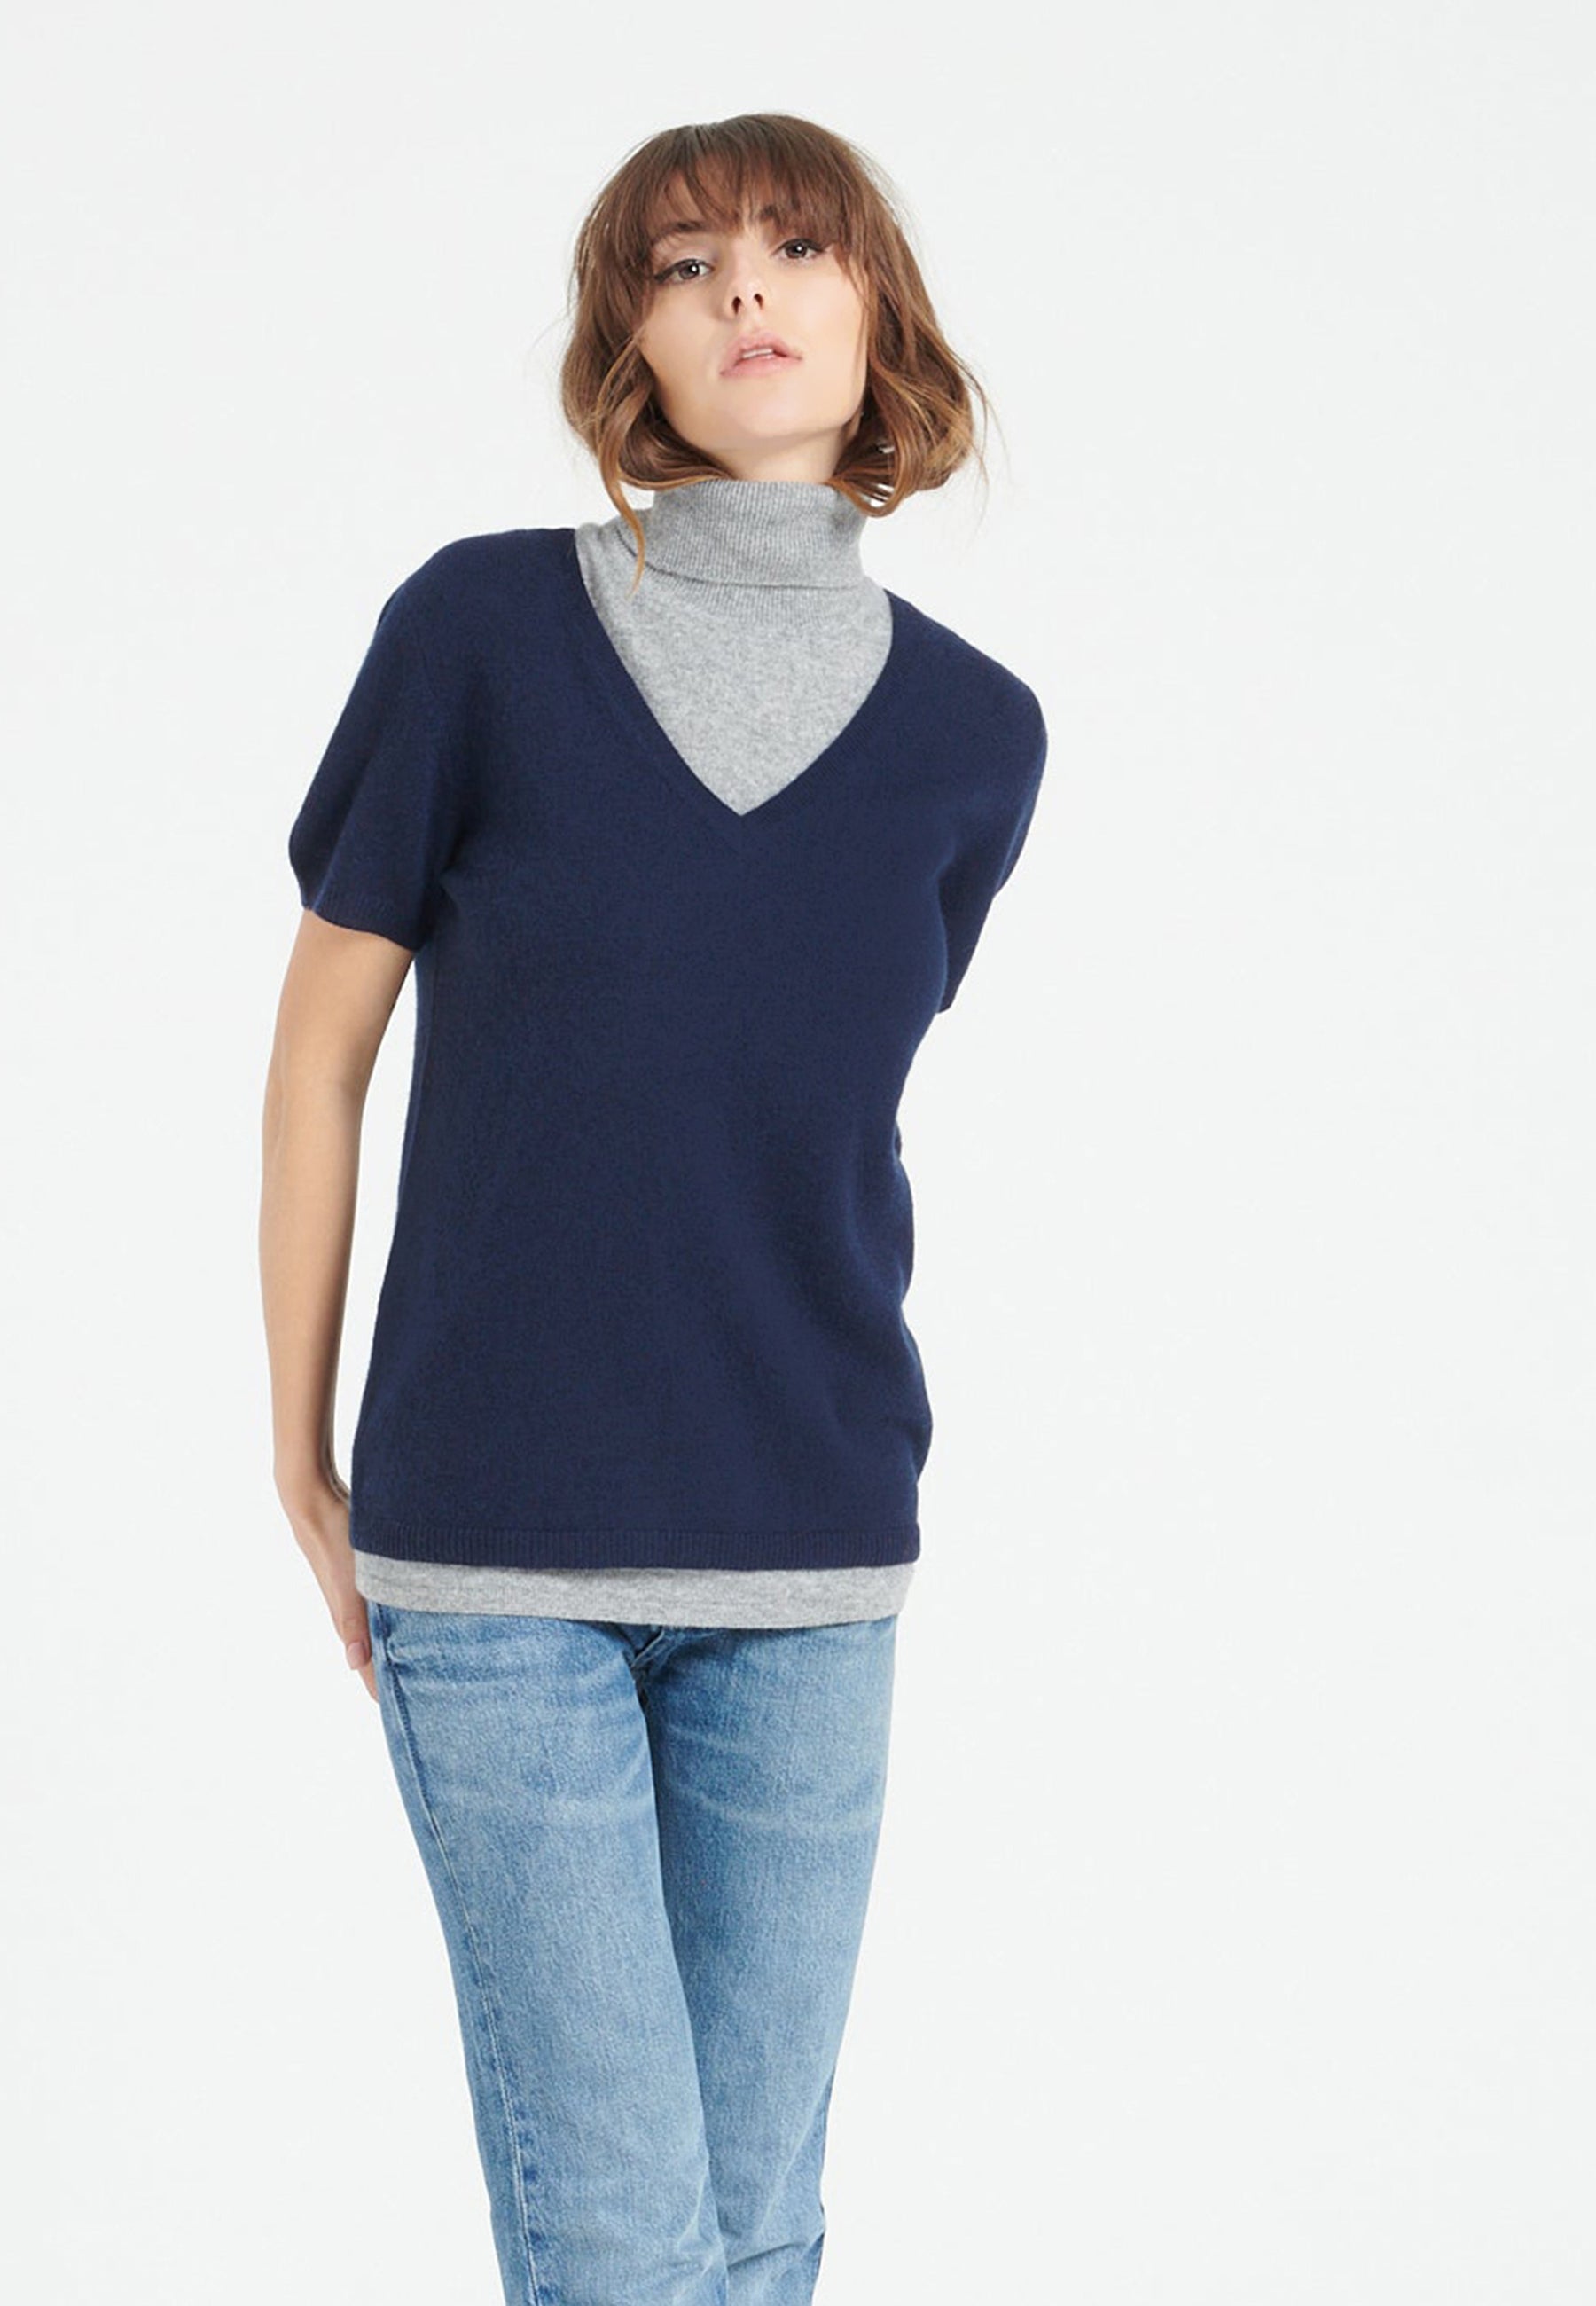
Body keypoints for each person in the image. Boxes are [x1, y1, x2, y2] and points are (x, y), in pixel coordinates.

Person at [260, 110, 1048, 2306]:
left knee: (760, 2229)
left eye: (796, 249)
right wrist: (300, 1453)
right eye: (686, 265)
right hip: (496, 1557)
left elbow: (794, 1120)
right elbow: (318, 1063)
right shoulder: (480, 633)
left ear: (878, 314)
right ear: (632, 339)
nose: (746, 291)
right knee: (622, 2243)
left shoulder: (979, 739)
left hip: (815, 1556)